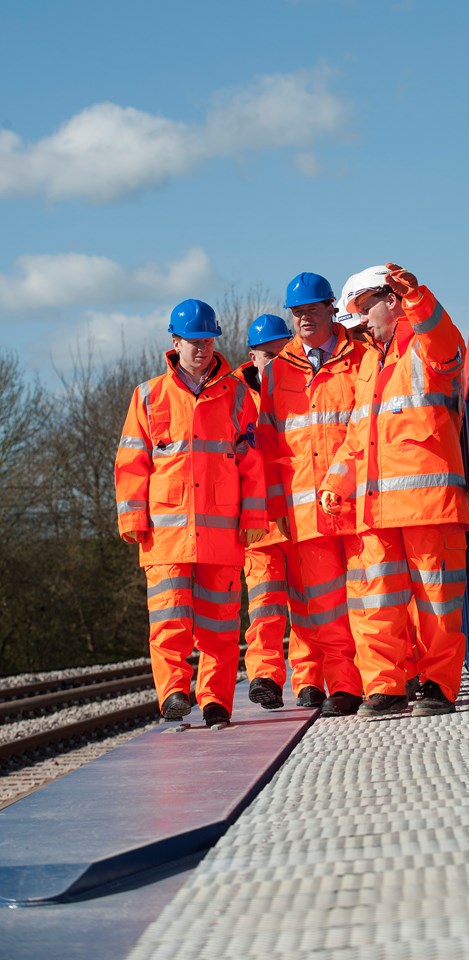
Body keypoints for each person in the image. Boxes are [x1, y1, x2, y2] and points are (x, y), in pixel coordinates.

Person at [320, 264, 469, 718]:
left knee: (436, 600)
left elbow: (450, 351)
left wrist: (419, 299)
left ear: (392, 300)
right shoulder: (371, 362)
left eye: (366, 308)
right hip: (375, 509)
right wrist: (335, 482)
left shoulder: (423, 346)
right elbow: (357, 437)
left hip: (428, 506)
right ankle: (385, 688)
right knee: (374, 601)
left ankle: (438, 686)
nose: (362, 321)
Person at [114, 299, 267, 726]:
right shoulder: (148, 395)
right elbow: (131, 462)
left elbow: (251, 464)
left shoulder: (237, 395)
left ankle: (216, 700)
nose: (201, 348)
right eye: (193, 340)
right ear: (174, 342)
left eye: (208, 339)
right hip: (165, 535)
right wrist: (132, 519)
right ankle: (175, 694)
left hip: (221, 533)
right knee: (169, 620)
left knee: (219, 626)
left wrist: (255, 520)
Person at [257, 272, 365, 716]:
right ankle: (344, 687)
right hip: (307, 514)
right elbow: (267, 443)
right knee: (326, 608)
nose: (303, 318)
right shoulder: (279, 370)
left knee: (370, 597)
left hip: (357, 503)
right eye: (297, 313)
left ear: (330, 307)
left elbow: (364, 427)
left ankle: (388, 678)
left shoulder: (357, 357)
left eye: (311, 310)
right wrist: (272, 508)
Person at [234, 315, 326, 710]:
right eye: (265, 355)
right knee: (265, 607)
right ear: (251, 355)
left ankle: (309, 681)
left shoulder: (298, 387)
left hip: (297, 515)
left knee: (307, 606)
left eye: (279, 353)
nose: (272, 362)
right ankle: (265, 678)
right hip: (258, 524)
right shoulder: (234, 397)